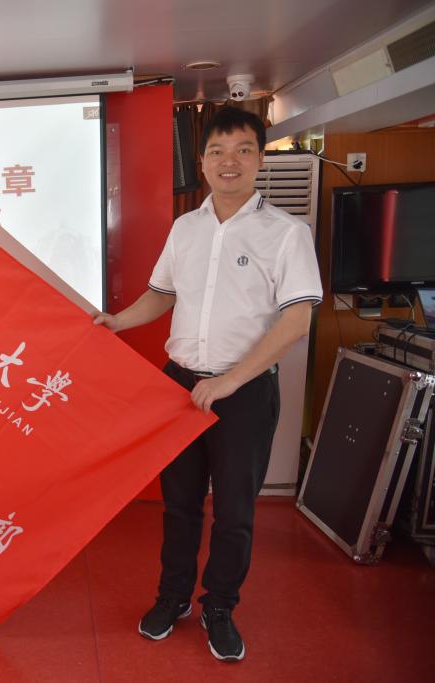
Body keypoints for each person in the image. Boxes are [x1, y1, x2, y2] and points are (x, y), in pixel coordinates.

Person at [94, 107, 322, 662]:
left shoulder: (287, 233)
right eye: (217, 151)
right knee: (179, 505)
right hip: (179, 388)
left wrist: (229, 381)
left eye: (242, 150)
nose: (229, 161)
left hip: (244, 392)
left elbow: (297, 320)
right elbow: (163, 294)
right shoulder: (186, 228)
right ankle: (172, 598)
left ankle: (219, 607)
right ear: (201, 163)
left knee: (235, 512)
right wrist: (117, 322)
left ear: (260, 159)